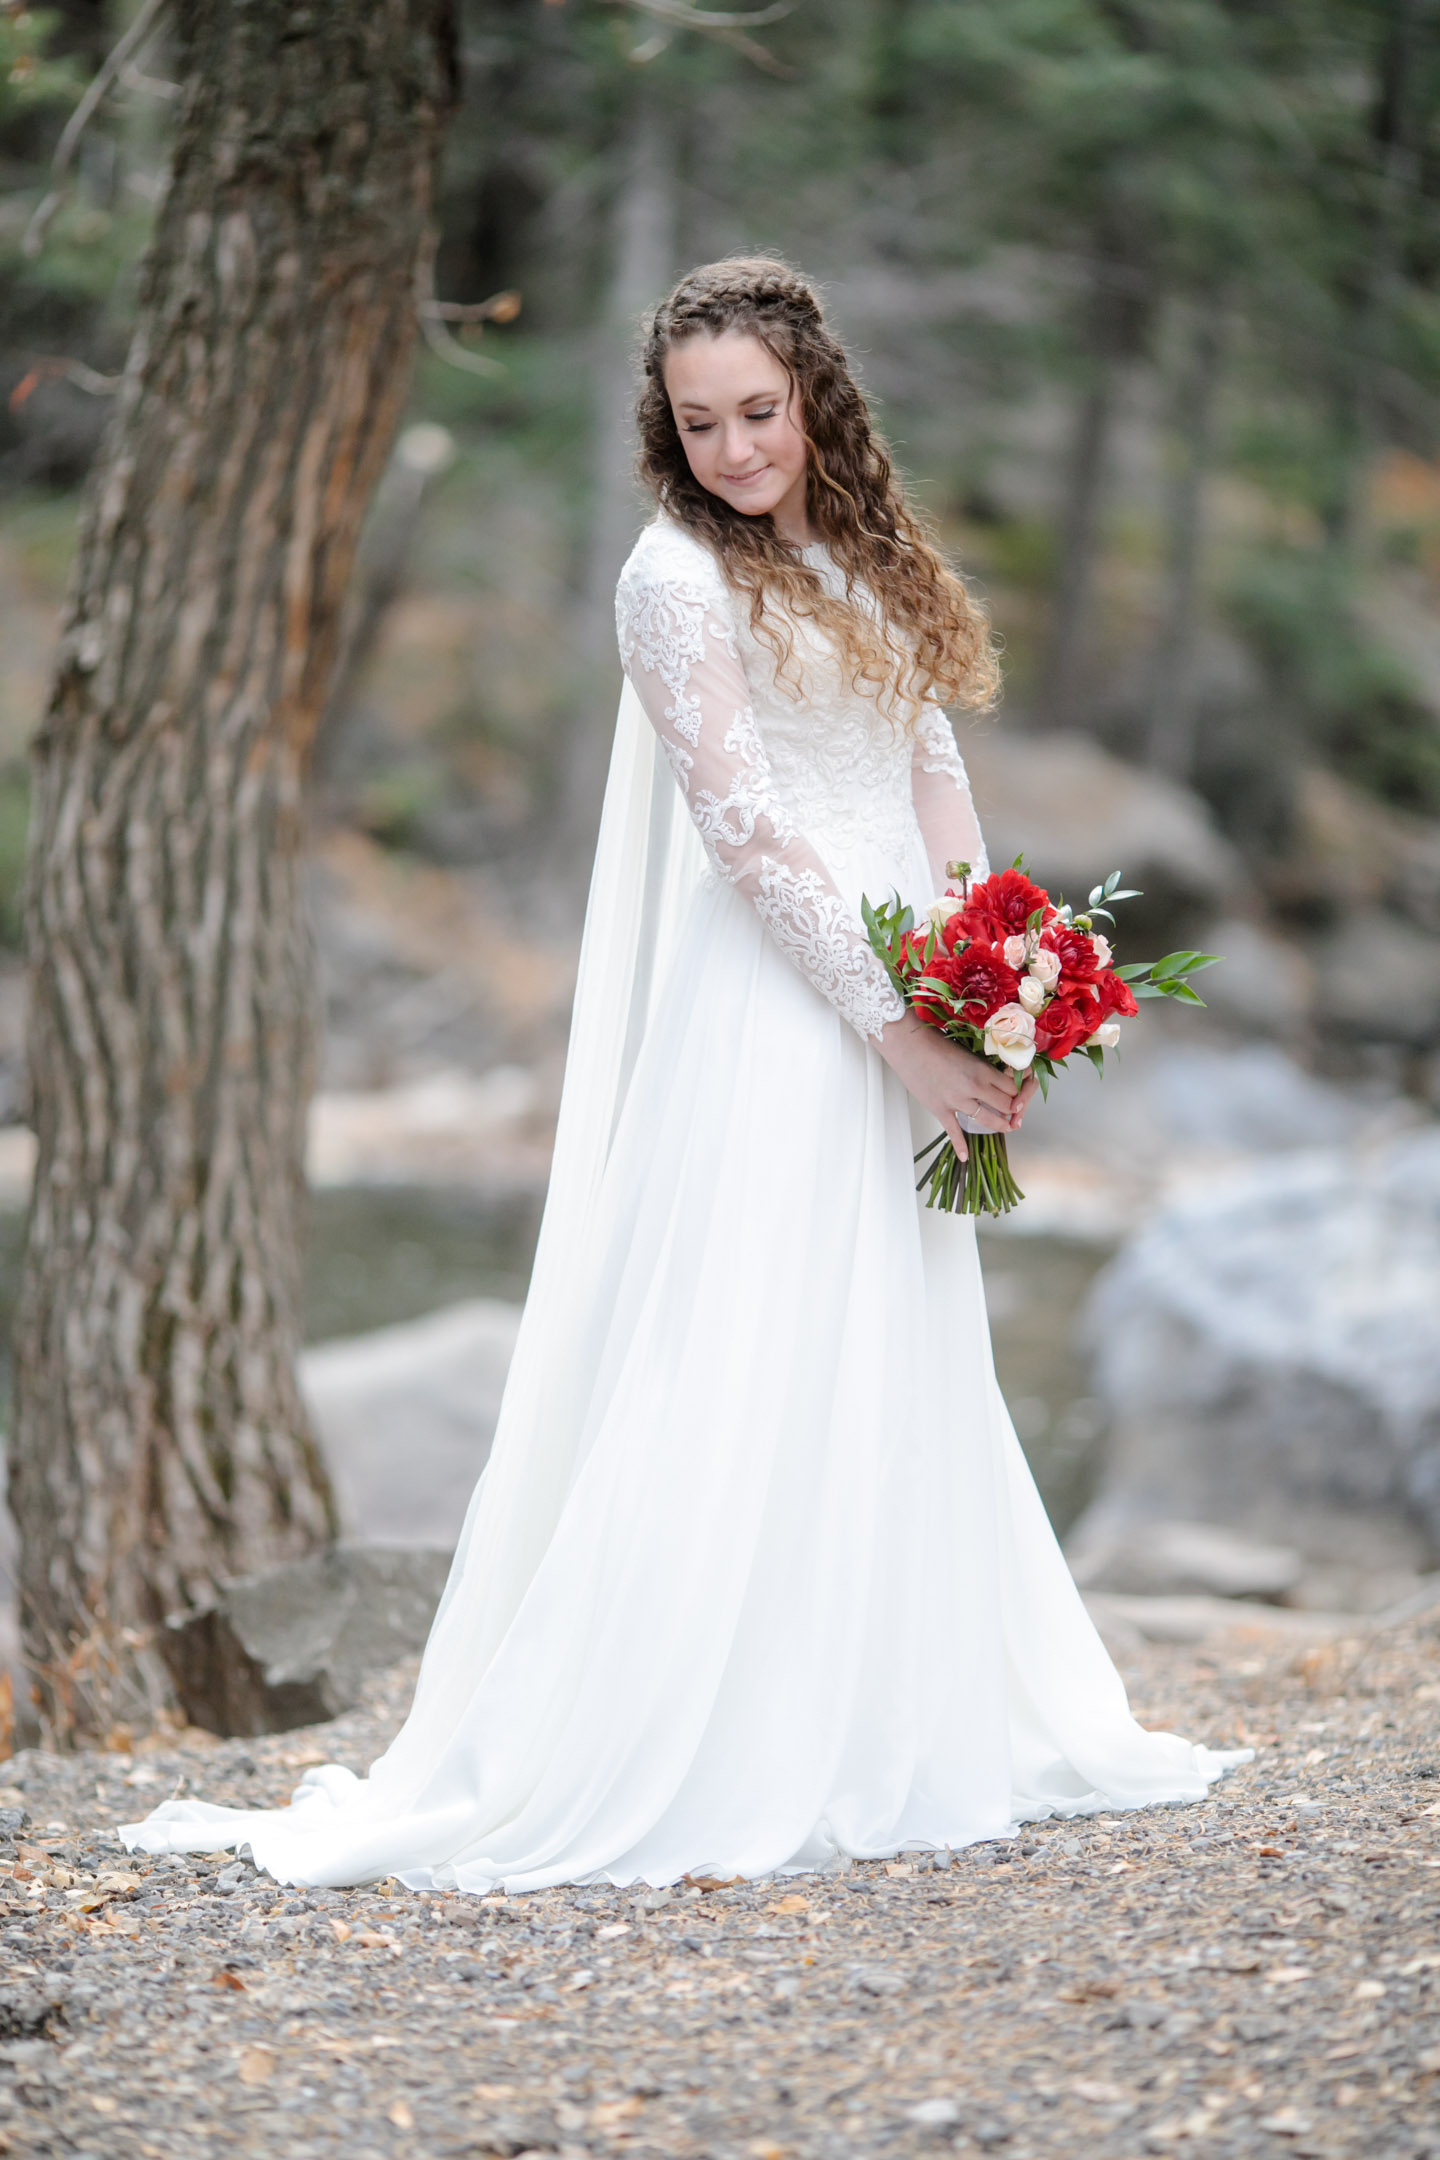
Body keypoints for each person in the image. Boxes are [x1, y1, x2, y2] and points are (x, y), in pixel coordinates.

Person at [123, 258, 1244, 1894]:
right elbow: (744, 831)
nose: (734, 450)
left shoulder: (860, 551)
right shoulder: (674, 580)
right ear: (669, 425)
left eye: (761, 414)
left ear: (816, 401)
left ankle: (883, 1707)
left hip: (916, 973)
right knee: (749, 1339)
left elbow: (930, 768)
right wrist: (904, 1030)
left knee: (887, 1336)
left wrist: (998, 955)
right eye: (701, 421)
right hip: (790, 1005)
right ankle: (711, 1729)